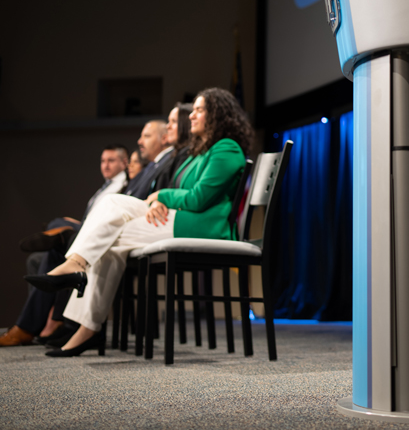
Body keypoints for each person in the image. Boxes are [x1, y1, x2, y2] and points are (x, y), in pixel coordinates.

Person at [25, 87, 253, 357]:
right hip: (180, 218)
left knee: (109, 234)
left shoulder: (227, 148)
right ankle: (82, 311)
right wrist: (159, 201)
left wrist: (161, 195)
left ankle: (82, 305)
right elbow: (183, 192)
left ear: (218, 115)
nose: (191, 115)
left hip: (202, 228)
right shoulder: (201, 151)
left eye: (199, 110)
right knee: (110, 211)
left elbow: (199, 198)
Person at [0, 145, 129, 347]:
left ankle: (29, 327)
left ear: (124, 163)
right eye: (103, 161)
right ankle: (52, 321)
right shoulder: (103, 188)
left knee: (58, 232)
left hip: (103, 238)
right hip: (88, 233)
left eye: (111, 160)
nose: (106, 165)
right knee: (37, 259)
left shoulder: (124, 185)